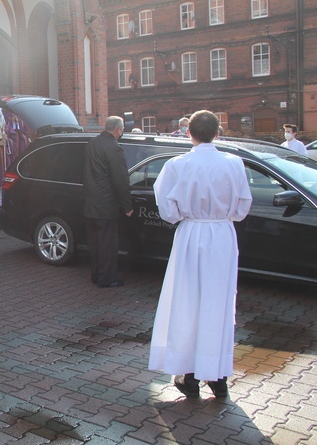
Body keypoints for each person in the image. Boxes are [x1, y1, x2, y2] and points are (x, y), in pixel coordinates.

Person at [149, 110, 252, 399]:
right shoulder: (234, 163)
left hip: (192, 234)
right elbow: (243, 207)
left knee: (187, 302)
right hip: (221, 235)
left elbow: (167, 210)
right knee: (217, 304)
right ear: (217, 133)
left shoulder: (178, 164)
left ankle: (190, 374)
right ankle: (217, 377)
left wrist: (187, 212)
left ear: (188, 133)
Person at [82, 116, 133, 288]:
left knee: (95, 244)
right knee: (108, 245)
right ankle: (107, 279)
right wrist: (128, 205)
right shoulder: (114, 148)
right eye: (123, 129)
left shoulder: (92, 144)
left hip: (90, 202)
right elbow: (121, 179)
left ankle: (96, 275)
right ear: (119, 129)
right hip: (106, 204)